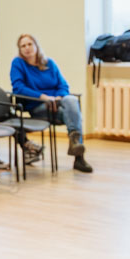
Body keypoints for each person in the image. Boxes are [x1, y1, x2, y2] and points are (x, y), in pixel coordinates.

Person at [11, 33, 92, 173]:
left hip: (58, 103)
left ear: (36, 45)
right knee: (74, 115)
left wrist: (58, 98)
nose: (27, 48)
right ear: (20, 49)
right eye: (23, 46)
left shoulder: (49, 63)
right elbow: (18, 88)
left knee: (71, 99)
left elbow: (63, 86)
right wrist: (43, 97)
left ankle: (74, 142)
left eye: (30, 44)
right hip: (37, 106)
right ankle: (79, 158)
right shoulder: (18, 64)